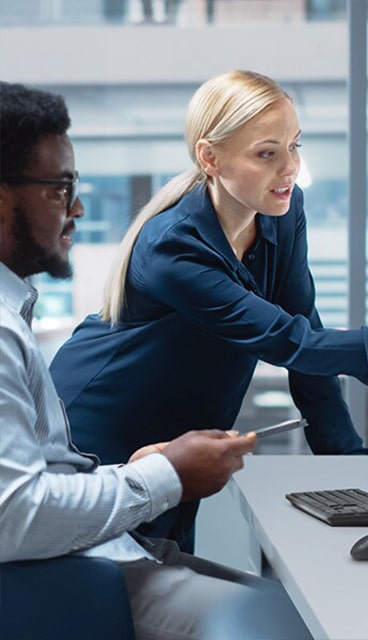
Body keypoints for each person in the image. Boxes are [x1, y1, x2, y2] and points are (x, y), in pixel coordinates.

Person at [49, 69, 368, 552]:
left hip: (175, 445)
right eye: (267, 154)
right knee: (127, 587)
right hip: (96, 437)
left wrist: (352, 471)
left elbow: (306, 345)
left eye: (294, 146)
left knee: (164, 576)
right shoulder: (174, 247)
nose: (290, 168)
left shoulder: (282, 214)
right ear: (210, 157)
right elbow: (294, 344)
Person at [0, 81, 311, 640]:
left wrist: (137, 473)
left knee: (299, 610)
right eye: (60, 188)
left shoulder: (12, 311)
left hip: (92, 552)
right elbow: (15, 516)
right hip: (57, 579)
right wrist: (165, 475)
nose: (77, 207)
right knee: (289, 626)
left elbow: (30, 487)